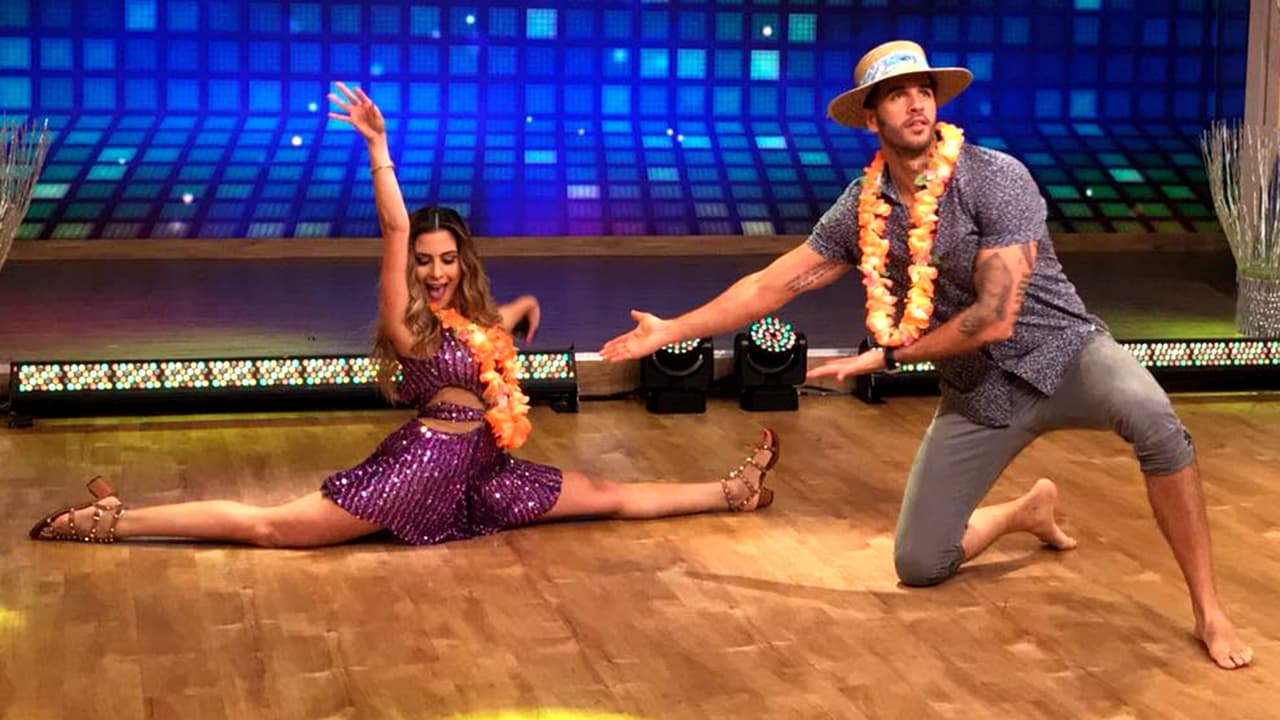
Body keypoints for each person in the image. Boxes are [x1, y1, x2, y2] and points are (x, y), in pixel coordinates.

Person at [601, 41, 1252, 669]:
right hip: (978, 391)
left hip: (1063, 356)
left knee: (1155, 419)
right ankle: (1025, 511)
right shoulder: (862, 207)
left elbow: (994, 316)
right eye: (897, 94)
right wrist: (672, 330)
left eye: (923, 90)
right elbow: (773, 285)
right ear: (871, 117)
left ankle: (1209, 611)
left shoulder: (996, 178)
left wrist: (890, 357)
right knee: (919, 563)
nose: (916, 103)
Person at [28, 82, 779, 549]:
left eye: (447, 259)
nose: (435, 272)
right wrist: (380, 149)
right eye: (425, 262)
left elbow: (489, 335)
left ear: (463, 261)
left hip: (483, 470)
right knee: (272, 526)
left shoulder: (469, 319)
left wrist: (518, 310)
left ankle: (730, 491)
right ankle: (116, 519)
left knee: (604, 496)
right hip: (420, 469)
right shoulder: (408, 323)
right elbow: (394, 228)